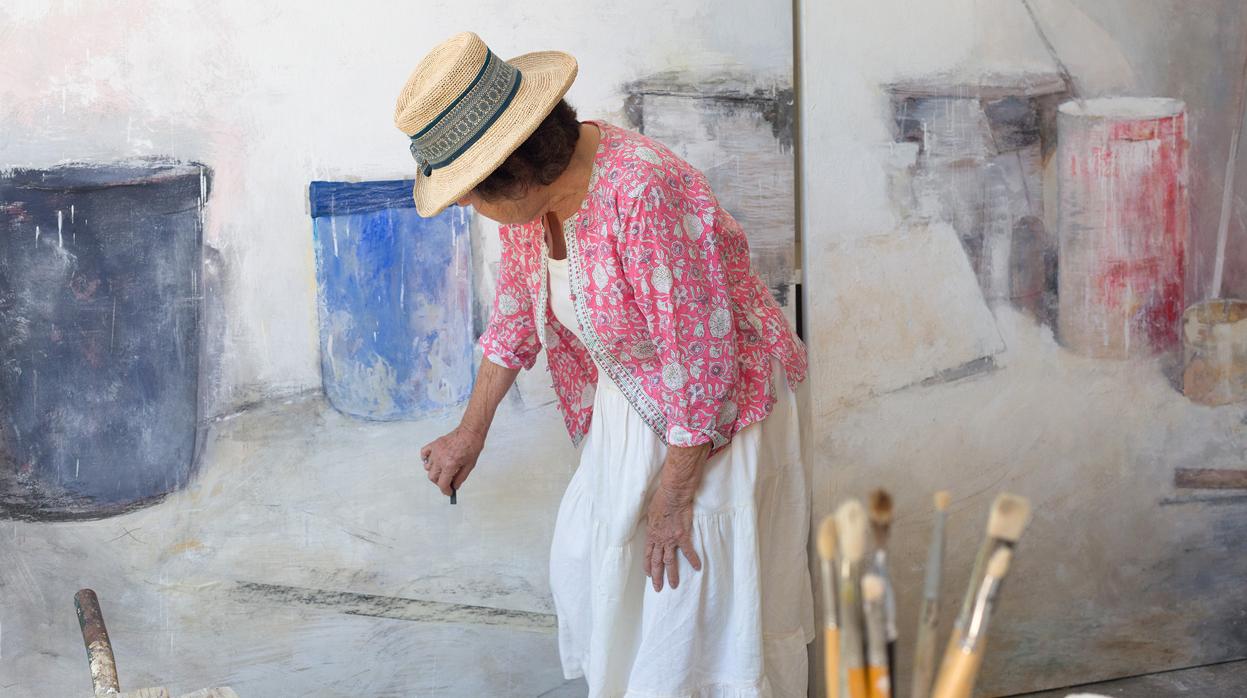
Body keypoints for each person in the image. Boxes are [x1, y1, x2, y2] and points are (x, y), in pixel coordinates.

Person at [394, 31, 813, 697]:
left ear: (521, 167)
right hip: (637, 394)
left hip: (721, 413)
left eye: (474, 192)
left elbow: (704, 365)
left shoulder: (641, 193)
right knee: (602, 573)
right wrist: (470, 430)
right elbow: (512, 317)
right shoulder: (532, 207)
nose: (471, 206)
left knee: (690, 601)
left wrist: (673, 499)